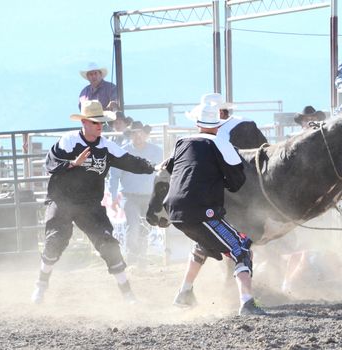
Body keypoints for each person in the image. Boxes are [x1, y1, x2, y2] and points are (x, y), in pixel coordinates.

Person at [31, 100, 155, 305]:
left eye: (101, 123)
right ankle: (41, 285)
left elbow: (131, 161)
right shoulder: (68, 142)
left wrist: (153, 167)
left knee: (108, 244)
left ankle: (128, 295)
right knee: (55, 240)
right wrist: (72, 163)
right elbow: (50, 163)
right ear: (85, 123)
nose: (100, 126)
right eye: (96, 123)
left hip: (89, 205)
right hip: (62, 200)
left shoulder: (107, 147)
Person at [154, 97, 266, 316]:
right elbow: (236, 180)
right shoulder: (222, 144)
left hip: (175, 211)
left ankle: (184, 293)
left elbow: (168, 167)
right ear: (219, 124)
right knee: (242, 248)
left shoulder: (181, 143)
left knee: (204, 244)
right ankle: (247, 303)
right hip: (202, 210)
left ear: (197, 123)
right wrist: (219, 180)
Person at [109, 121, 163, 268]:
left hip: (149, 196)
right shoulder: (123, 152)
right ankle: (133, 260)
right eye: (134, 133)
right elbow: (114, 176)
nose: (138, 135)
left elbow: (163, 173)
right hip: (129, 195)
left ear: (146, 134)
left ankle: (141, 260)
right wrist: (113, 198)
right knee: (133, 227)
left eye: (141, 132)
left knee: (144, 227)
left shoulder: (157, 151)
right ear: (131, 135)